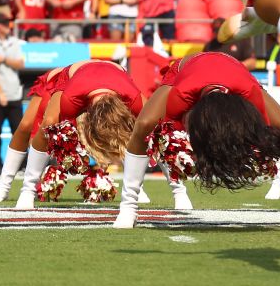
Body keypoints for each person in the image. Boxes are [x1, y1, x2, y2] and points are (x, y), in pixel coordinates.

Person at [114, 51, 280, 230]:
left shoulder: (249, 95)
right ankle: (129, 206)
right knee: (144, 124)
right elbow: (162, 133)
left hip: (237, 75)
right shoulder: (181, 97)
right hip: (185, 70)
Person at [12, 59, 191, 211]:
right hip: (75, 74)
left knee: (154, 130)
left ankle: (178, 191)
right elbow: (60, 134)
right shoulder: (71, 100)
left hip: (116, 76)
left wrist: (179, 193)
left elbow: (160, 135)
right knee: (49, 125)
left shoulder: (134, 99)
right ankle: (27, 191)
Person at [0, 16, 25, 178]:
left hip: (14, 94)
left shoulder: (14, 42)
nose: (8, 27)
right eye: (4, 24)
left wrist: (4, 59)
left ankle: (22, 164)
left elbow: (20, 64)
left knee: (19, 132)